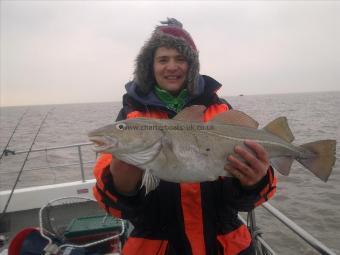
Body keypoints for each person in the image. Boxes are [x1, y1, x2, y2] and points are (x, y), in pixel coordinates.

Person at [93, 18, 276, 255]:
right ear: (150, 65)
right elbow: (113, 205)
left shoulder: (220, 110)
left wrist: (254, 182)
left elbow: (246, 201)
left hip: (226, 246)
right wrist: (121, 186)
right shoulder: (132, 116)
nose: (171, 66)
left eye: (180, 59)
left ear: (192, 65)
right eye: (162, 59)